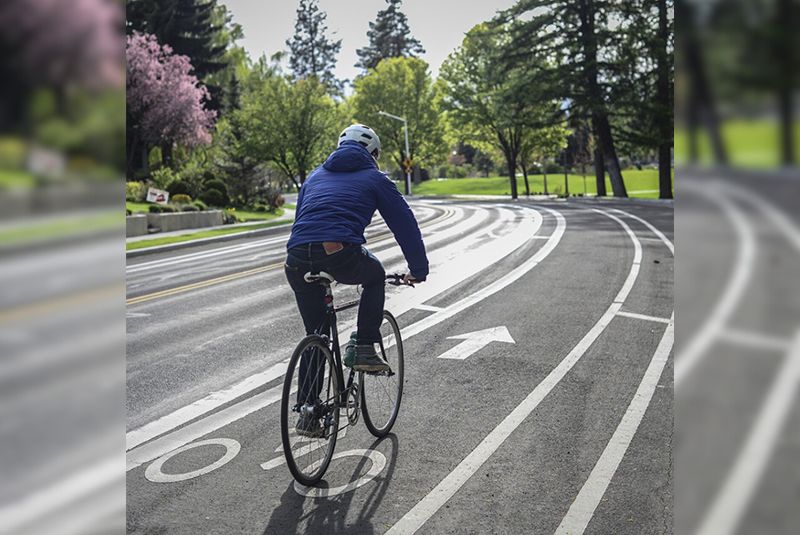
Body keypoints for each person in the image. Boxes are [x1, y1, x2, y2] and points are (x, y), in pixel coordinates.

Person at [284, 124, 428, 435]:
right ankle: (364, 345)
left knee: (317, 333)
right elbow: (404, 224)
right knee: (374, 275)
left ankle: (308, 412)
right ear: (373, 154)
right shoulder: (375, 178)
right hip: (338, 252)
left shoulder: (313, 176)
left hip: (295, 258)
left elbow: (302, 221)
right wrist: (418, 269)